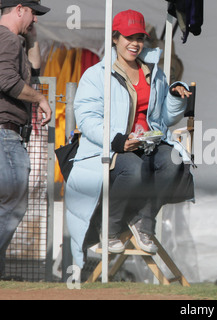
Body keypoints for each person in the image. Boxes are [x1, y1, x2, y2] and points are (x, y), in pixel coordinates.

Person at [64, 9, 194, 268]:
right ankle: (110, 230)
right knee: (134, 169)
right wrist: (116, 140)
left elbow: (165, 119)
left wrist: (176, 97)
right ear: (114, 38)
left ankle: (143, 221)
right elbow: (87, 117)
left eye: (140, 38)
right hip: (111, 146)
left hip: (150, 143)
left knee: (175, 162)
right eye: (128, 37)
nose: (135, 43)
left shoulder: (154, 72)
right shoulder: (96, 74)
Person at [0, 0, 52, 277]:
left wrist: (31, 37)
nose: (36, 20)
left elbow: (33, 71)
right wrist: (41, 98)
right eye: (33, 13)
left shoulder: (11, 40)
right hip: (4, 132)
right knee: (14, 201)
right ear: (19, 9)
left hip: (7, 133)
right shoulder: (6, 38)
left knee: (7, 203)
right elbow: (6, 80)